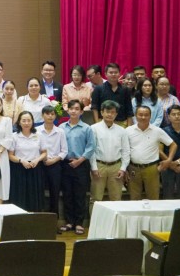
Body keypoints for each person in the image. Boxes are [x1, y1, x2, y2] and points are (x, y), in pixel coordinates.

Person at [125, 105, 176, 201]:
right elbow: (123, 150)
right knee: (134, 198)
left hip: (152, 168)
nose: (143, 117)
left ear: (150, 116)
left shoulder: (157, 130)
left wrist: (169, 160)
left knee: (153, 197)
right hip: (133, 168)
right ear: (135, 116)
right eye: (140, 115)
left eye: (146, 115)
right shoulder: (128, 131)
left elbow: (173, 145)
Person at [59, 100, 95, 235]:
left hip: (81, 164)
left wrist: (79, 161)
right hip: (65, 164)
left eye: (76, 109)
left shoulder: (87, 128)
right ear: (67, 110)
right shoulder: (61, 127)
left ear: (81, 112)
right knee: (67, 194)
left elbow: (91, 147)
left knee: (80, 195)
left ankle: (79, 223)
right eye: (71, 108)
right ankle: (69, 221)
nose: (73, 111)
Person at [89, 100, 130, 205]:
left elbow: (126, 151)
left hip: (116, 167)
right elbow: (91, 150)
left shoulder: (122, 131)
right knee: (96, 199)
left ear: (116, 114)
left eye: (112, 112)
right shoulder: (93, 129)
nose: (109, 114)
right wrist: (93, 167)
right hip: (99, 166)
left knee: (116, 199)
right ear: (102, 112)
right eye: (107, 111)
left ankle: (115, 222)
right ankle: (95, 222)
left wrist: (123, 168)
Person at [8, 111, 46, 212]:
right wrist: (21, 160)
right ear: (19, 122)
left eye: (28, 120)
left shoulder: (39, 135)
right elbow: (10, 155)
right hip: (19, 169)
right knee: (19, 195)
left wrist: (37, 160)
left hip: (35, 168)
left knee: (34, 196)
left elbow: (44, 153)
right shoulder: (14, 136)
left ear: (32, 122)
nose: (26, 123)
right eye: (23, 120)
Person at [38, 106, 68, 215]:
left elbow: (64, 151)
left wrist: (54, 160)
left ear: (55, 116)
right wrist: (42, 158)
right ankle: (40, 219)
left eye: (52, 114)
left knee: (54, 193)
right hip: (40, 165)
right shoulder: (37, 131)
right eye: (47, 114)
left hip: (55, 165)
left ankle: (54, 222)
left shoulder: (60, 131)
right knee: (39, 192)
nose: (50, 116)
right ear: (42, 115)